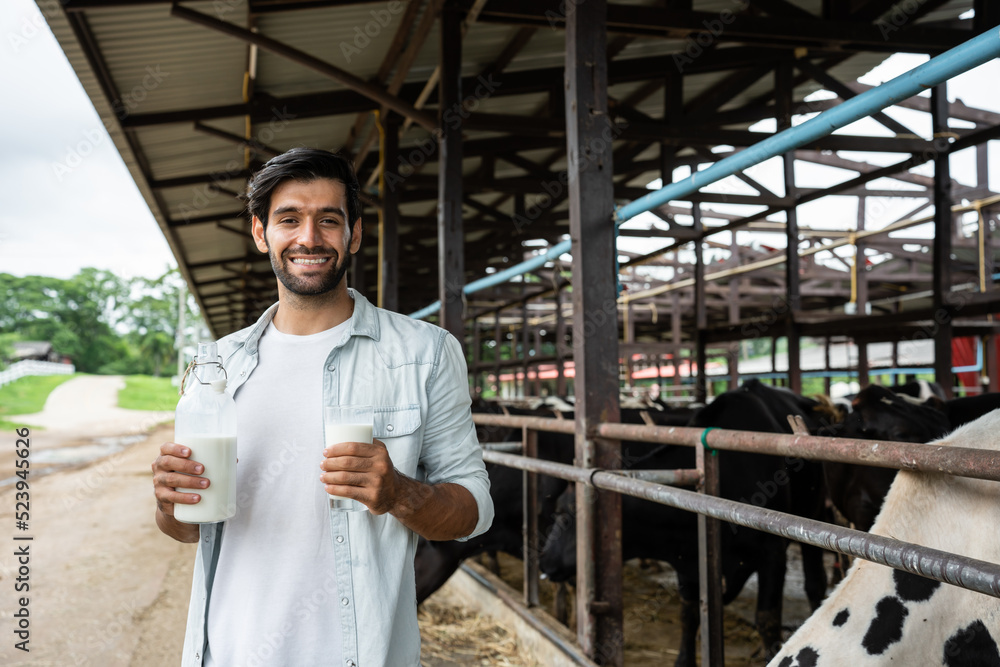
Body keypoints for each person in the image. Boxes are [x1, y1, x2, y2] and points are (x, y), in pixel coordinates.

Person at [151, 147, 494, 667]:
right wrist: (168, 501)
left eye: (328, 220)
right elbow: (186, 528)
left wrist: (399, 493)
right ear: (261, 233)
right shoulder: (215, 367)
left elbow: (474, 511)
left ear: (354, 234)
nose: (309, 238)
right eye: (289, 219)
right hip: (226, 653)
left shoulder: (424, 353)